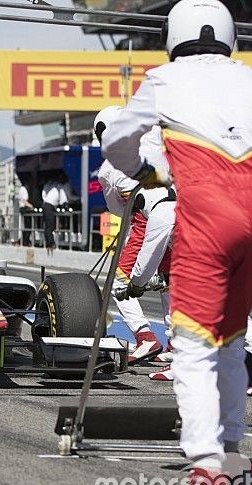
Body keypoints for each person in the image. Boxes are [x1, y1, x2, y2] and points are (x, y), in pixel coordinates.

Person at [103, 0, 252, 485]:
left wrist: (149, 172)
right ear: (229, 36)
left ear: (173, 36)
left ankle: (206, 475)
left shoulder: (163, 78)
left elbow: (118, 143)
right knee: (231, 339)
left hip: (207, 215)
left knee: (192, 345)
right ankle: (233, 456)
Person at [95, 105, 172, 362]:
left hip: (146, 220)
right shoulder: (155, 146)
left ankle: (144, 337)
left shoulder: (108, 168)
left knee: (119, 283)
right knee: (170, 281)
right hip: (181, 214)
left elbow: (118, 210)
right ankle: (176, 344)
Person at [41, 179, 68, 254]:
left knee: (47, 226)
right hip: (50, 206)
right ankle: (51, 243)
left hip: (45, 204)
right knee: (50, 226)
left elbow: (43, 194)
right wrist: (64, 206)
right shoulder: (59, 186)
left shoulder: (49, 185)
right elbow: (63, 198)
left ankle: (48, 244)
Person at [16, 182, 34, 247]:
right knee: (28, 226)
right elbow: (25, 201)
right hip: (25, 208)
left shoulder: (21, 189)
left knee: (26, 226)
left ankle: (23, 240)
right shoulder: (25, 190)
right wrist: (32, 206)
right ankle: (24, 241)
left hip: (21, 208)